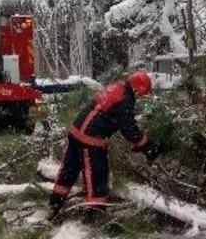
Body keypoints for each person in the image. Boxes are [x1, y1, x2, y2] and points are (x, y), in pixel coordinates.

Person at [49, 71, 161, 218]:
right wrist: (147, 145)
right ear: (136, 88)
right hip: (90, 137)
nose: (140, 97)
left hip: (77, 130)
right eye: (141, 94)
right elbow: (128, 128)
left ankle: (54, 205)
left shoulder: (117, 87)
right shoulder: (125, 98)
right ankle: (95, 214)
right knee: (96, 175)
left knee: (69, 169)